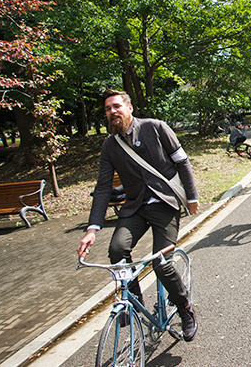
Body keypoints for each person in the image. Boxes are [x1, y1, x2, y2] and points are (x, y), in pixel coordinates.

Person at [77, 89, 200, 342]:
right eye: (108, 109)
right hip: (135, 208)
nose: (112, 112)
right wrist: (92, 229)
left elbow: (182, 162)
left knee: (161, 263)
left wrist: (192, 198)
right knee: (117, 250)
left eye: (116, 106)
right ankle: (133, 299)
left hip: (165, 205)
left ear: (129, 108)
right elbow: (102, 188)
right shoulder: (109, 146)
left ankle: (185, 308)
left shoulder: (155, 127)